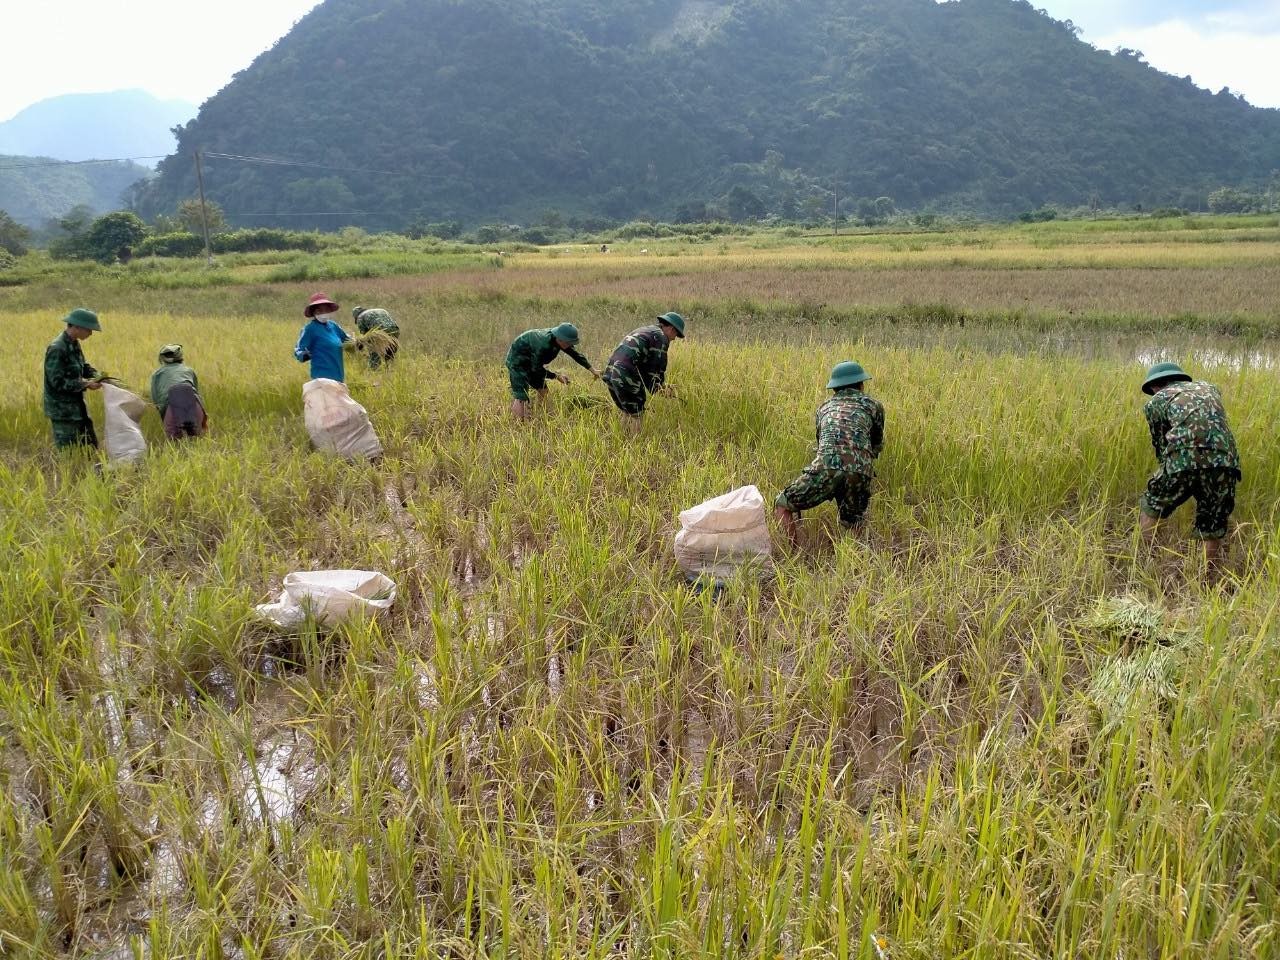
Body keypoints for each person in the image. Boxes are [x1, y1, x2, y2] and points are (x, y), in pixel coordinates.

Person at [1137, 361, 1241, 571]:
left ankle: (1146, 561)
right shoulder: (1209, 388)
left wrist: (1172, 476)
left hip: (1181, 459)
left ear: (1155, 386)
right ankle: (1206, 579)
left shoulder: (1155, 401)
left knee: (1153, 504)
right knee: (1213, 522)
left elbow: (1161, 443)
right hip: (1225, 462)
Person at [774, 361, 885, 548]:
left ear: (835, 388)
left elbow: (823, 446)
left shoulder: (824, 408)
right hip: (860, 469)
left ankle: (792, 553)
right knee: (855, 520)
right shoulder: (874, 406)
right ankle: (854, 562)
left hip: (826, 466)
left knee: (783, 503)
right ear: (861, 385)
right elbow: (876, 444)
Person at [601, 311, 685, 431]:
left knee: (627, 410)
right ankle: (636, 445)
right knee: (637, 414)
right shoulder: (661, 338)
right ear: (672, 329)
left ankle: (622, 441)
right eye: (676, 335)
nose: (674, 339)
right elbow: (656, 367)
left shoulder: (647, 330)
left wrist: (655, 387)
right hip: (625, 373)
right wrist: (660, 389)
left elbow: (643, 365)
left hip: (610, 372)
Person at [505, 322, 599, 419]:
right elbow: (536, 369)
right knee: (521, 396)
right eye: (569, 343)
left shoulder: (560, 340)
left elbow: (575, 354)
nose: (570, 345)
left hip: (533, 362)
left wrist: (592, 370)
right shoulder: (543, 344)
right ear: (561, 339)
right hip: (517, 362)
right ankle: (519, 423)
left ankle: (539, 415)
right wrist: (556, 376)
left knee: (543, 390)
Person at [43, 307, 104, 450]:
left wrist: (99, 376)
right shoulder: (57, 348)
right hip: (63, 412)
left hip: (78, 407)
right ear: (77, 327)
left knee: (90, 447)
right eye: (88, 330)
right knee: (69, 452)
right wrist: (86, 385)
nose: (90, 333)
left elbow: (82, 367)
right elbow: (57, 382)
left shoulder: (74, 343)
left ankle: (90, 471)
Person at [295, 293, 359, 383]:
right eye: (319, 311)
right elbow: (298, 349)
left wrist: (357, 344)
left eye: (326, 310)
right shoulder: (310, 329)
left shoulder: (334, 326)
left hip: (338, 373)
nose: (323, 313)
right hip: (321, 376)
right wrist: (303, 355)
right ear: (313, 312)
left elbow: (346, 340)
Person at [150, 344, 208, 440]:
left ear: (162, 358)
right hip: (193, 402)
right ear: (180, 356)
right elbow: (196, 391)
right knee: (197, 438)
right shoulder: (189, 370)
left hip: (171, 405)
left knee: (174, 441)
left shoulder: (157, 374)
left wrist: (162, 412)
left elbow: (156, 398)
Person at [351, 305, 400, 369]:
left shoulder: (360, 317)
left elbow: (365, 336)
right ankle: (390, 370)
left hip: (380, 333)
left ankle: (373, 369)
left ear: (356, 316)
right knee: (390, 351)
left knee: (374, 351)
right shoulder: (381, 310)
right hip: (395, 330)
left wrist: (359, 345)